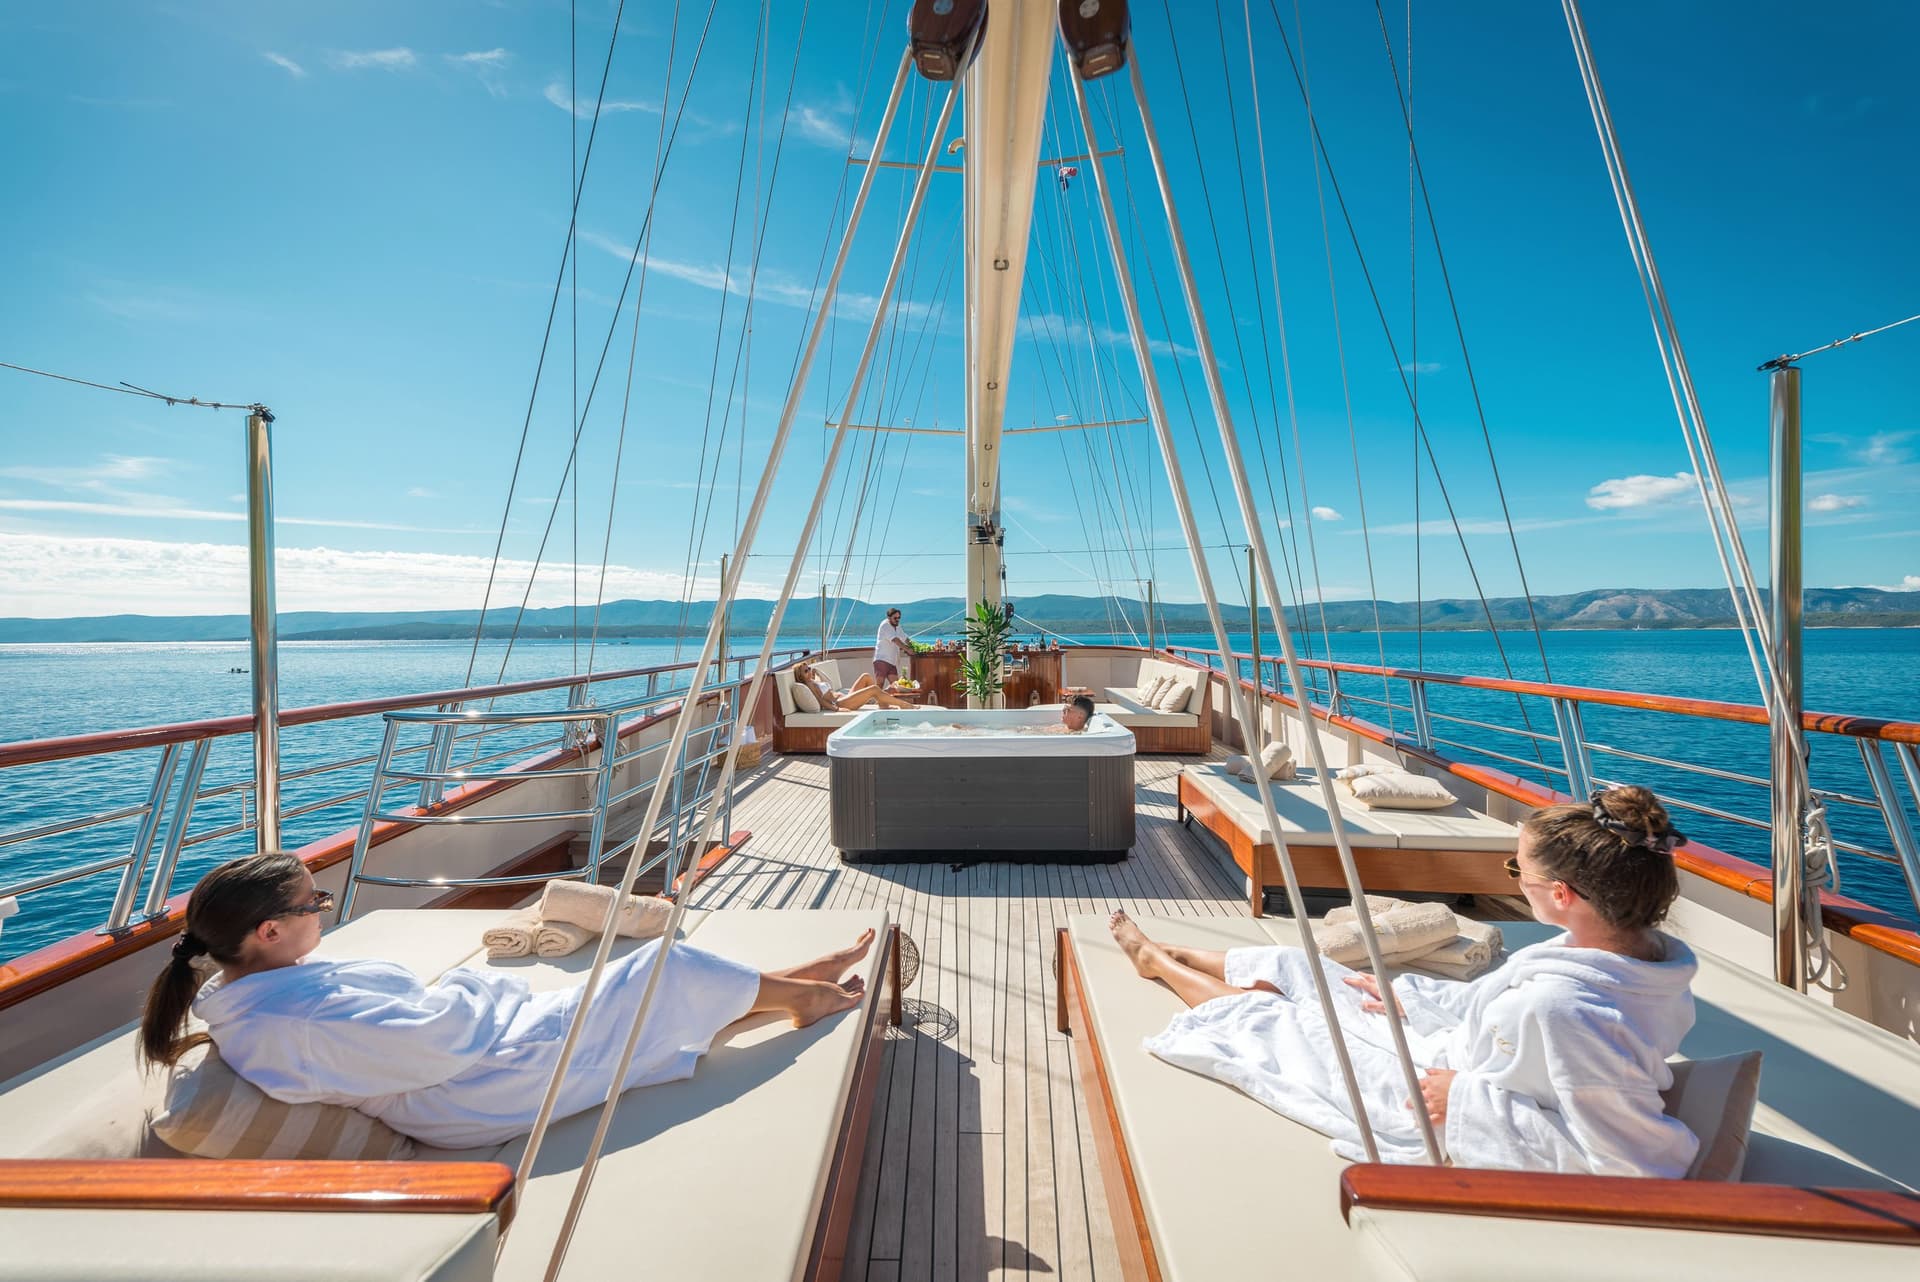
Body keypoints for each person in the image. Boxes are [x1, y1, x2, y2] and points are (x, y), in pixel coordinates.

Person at [1109, 786, 1701, 1177]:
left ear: (1562, 895)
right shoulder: (1627, 953)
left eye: (1517, 869)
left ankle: (1156, 963)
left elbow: (1629, 1164)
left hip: (1434, 1100)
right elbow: (1496, 1016)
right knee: (1301, 969)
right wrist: (1410, 996)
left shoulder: (1568, 1008)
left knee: (1267, 1018)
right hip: (1448, 1052)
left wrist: (1463, 1100)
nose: (1514, 877)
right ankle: (1173, 948)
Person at [140, 853, 874, 1150]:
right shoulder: (288, 1020)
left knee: (643, 986)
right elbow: (434, 1041)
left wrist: (462, 996)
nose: (323, 910)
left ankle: (787, 992)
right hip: (476, 1092)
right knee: (662, 967)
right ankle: (800, 994)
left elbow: (408, 1030)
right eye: (315, 903)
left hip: (471, 1063)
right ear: (269, 931)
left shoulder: (254, 992)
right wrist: (474, 982)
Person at [793, 660, 911, 711]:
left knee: (866, 676)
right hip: (840, 702)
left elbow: (817, 679)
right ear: (800, 676)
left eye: (808, 668)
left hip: (843, 697)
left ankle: (883, 704)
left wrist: (815, 671)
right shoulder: (809, 685)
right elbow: (821, 701)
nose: (808, 671)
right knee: (874, 689)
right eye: (805, 671)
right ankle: (903, 704)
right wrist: (837, 709)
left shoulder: (813, 680)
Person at [873, 607, 912, 685]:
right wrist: (908, 649)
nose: (897, 619)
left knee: (896, 687)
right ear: (889, 617)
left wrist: (913, 646)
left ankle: (885, 694)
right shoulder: (885, 625)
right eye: (895, 618)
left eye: (899, 618)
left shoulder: (897, 626)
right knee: (879, 685)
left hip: (892, 663)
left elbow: (904, 637)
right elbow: (895, 640)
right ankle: (875, 696)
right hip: (882, 660)